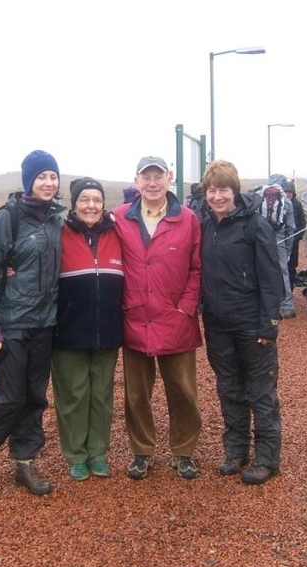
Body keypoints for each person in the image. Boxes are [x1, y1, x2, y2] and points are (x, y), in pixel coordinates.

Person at [0, 149, 66, 496]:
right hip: (10, 324)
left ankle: (25, 462)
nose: (48, 183)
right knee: (7, 395)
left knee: (35, 397)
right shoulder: (9, 218)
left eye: (53, 176)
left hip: (44, 324)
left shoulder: (55, 220)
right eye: (42, 177)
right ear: (28, 181)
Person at [111, 156, 203, 480]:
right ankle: (142, 451)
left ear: (169, 179)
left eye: (158, 176)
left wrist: (186, 307)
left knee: (183, 391)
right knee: (136, 394)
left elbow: (196, 268)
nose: (152, 182)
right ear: (136, 181)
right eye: (146, 176)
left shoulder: (189, 219)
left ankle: (183, 451)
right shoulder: (119, 218)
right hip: (134, 320)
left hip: (176, 320)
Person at [198, 160, 283, 485]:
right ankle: (235, 451)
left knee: (260, 393)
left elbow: (271, 277)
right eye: (212, 190)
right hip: (218, 325)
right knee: (229, 390)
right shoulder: (206, 226)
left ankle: (266, 458)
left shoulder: (255, 226)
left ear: (234, 191)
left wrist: (269, 324)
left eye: (223, 190)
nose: (218, 196)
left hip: (252, 325)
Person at [51, 177, 124, 481]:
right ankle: (76, 454)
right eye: (85, 199)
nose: (91, 205)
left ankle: (97, 453)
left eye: (96, 199)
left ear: (104, 204)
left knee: (102, 394)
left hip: (107, 328)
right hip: (68, 330)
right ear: (74, 203)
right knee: (73, 395)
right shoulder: (58, 232)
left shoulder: (118, 233)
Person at [259, 181, 296, 318]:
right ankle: (287, 308)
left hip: (260, 235)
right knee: (282, 272)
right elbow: (291, 227)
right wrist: (288, 250)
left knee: (260, 269)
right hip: (278, 236)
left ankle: (261, 306)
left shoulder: (259, 196)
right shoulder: (286, 201)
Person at [283, 179, 307, 289]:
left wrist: (298, 236)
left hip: (294, 240)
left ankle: (290, 288)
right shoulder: (280, 204)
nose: (288, 194)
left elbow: (303, 222)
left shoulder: (297, 204)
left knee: (292, 266)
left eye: (290, 192)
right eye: (286, 192)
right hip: (282, 240)